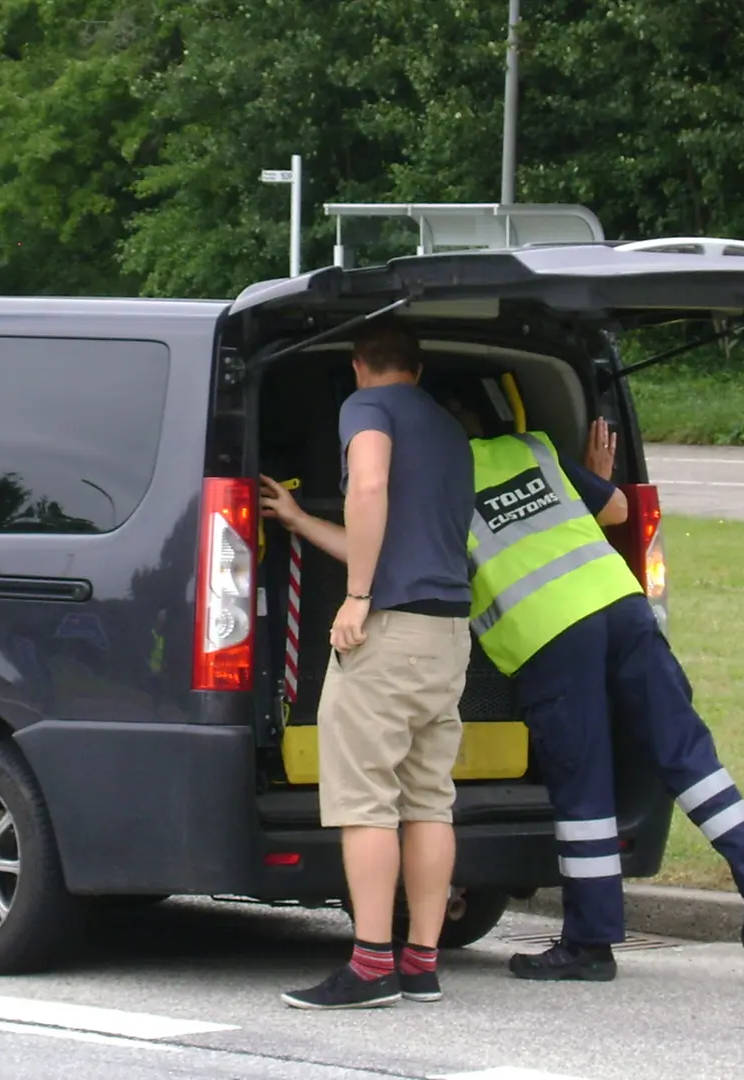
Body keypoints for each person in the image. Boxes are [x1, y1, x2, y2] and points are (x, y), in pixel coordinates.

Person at [446, 398, 744, 982]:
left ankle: (590, 944)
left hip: (552, 635)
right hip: (623, 608)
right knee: (686, 750)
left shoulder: (439, 483)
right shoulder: (533, 449)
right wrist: (589, 484)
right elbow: (618, 509)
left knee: (584, 790)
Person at [262, 320, 474, 1010]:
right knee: (428, 801)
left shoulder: (366, 409)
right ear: (417, 366)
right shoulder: (447, 428)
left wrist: (356, 598)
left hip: (386, 636)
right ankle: (421, 963)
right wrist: (297, 520)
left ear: (359, 366)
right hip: (445, 636)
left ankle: (370, 964)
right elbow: (379, 533)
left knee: (366, 803)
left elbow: (372, 483)